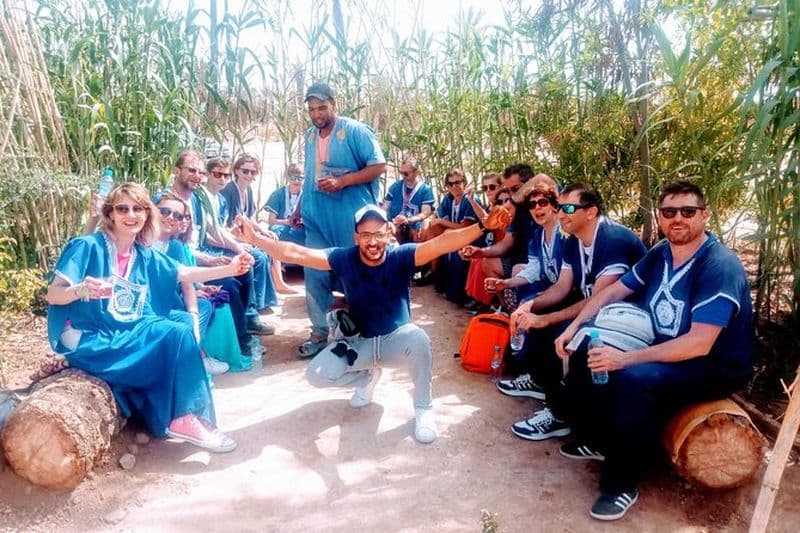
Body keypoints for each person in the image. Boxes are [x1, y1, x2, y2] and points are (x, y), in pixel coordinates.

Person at [552, 181, 753, 521]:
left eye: (688, 212)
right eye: (669, 212)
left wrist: (625, 358)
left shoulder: (718, 265)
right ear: (659, 218)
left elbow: (699, 342)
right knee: (588, 351)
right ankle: (601, 440)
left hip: (714, 364)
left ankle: (621, 483)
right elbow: (614, 290)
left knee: (635, 378)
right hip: (664, 347)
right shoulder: (661, 252)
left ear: (704, 215)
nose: (678, 219)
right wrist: (575, 329)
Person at [233, 203, 512, 443]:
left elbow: (441, 243)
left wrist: (482, 227)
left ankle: (424, 408)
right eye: (365, 234)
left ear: (388, 233)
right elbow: (296, 253)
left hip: (396, 341)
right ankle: (367, 377)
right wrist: (256, 239)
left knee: (418, 339)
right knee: (317, 374)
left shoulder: (402, 256)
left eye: (378, 233)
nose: (372, 241)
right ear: (356, 237)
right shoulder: (343, 258)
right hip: (359, 344)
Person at [46, 183, 251, 452]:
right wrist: (79, 289)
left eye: (138, 209)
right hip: (89, 337)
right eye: (122, 208)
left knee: (180, 327)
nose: (130, 215)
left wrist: (231, 267)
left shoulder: (143, 255)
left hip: (124, 330)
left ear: (146, 215)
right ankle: (183, 417)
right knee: (173, 335)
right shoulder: (86, 246)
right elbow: (53, 294)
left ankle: (184, 416)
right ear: (110, 214)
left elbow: (184, 274)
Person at [504, 184, 646, 441]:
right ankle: (549, 397)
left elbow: (600, 300)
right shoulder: (574, 241)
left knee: (559, 336)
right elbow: (561, 287)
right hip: (599, 313)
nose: (560, 214)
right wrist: (531, 306)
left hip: (628, 321)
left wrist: (546, 319)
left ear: (591, 212)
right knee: (539, 325)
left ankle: (562, 416)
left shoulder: (613, 240)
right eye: (559, 208)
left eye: (568, 208)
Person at [295, 81, 387, 358]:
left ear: (334, 104)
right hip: (316, 217)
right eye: (312, 109)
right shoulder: (310, 136)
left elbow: (379, 165)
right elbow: (311, 174)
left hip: (350, 217)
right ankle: (320, 331)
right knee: (314, 273)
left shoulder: (355, 130)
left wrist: (343, 181)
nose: (317, 114)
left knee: (358, 271)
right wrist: (299, 207)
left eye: (322, 107)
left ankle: (369, 329)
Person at [220, 153, 280, 319]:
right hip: (230, 237)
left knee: (268, 247)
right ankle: (252, 309)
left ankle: (263, 301)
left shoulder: (248, 190)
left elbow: (249, 217)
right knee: (258, 257)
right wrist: (239, 240)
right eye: (246, 171)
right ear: (237, 170)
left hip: (241, 234)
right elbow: (225, 224)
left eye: (253, 172)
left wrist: (263, 231)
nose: (249, 175)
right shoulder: (228, 191)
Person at [428, 169, 479, 304]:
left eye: (457, 182)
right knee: (434, 233)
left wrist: (442, 223)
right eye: (450, 184)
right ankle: (435, 276)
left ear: (464, 182)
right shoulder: (448, 199)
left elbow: (467, 228)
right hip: (452, 239)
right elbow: (436, 217)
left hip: (471, 239)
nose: (454, 186)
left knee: (453, 247)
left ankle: (462, 294)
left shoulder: (469, 199)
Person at [384, 157, 435, 244]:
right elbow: (384, 207)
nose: (403, 177)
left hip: (414, 227)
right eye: (401, 173)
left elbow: (425, 213)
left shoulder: (425, 190)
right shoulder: (395, 186)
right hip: (395, 225)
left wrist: (408, 220)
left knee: (422, 231)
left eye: (406, 173)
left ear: (417, 173)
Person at [265, 163, 306, 247]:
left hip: (299, 229)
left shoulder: (306, 195)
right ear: (287, 178)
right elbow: (271, 221)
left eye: (300, 178)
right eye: (293, 177)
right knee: (274, 230)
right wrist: (288, 222)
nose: (296, 181)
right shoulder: (278, 194)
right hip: (281, 227)